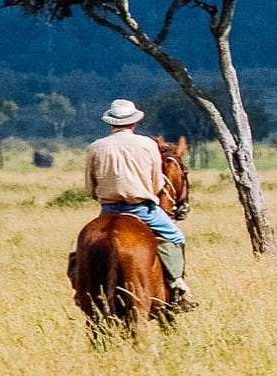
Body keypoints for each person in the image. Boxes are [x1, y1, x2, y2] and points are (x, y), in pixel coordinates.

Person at [84, 99, 197, 310]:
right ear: (134, 122)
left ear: (111, 123)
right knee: (176, 237)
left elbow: (90, 186)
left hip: (107, 210)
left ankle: (81, 289)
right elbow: (157, 182)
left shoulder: (95, 147)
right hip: (142, 209)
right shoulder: (147, 145)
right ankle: (177, 286)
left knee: (80, 248)